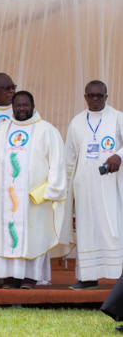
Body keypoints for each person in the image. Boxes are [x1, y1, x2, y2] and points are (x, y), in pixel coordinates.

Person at [0, 91, 71, 289]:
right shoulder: (0, 130)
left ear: (33, 106)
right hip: (6, 197)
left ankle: (30, 278)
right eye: (18, 105)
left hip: (35, 198)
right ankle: (10, 277)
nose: (22, 109)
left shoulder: (47, 130)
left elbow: (57, 164)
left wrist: (51, 191)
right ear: (12, 107)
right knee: (8, 234)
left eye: (25, 105)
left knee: (34, 236)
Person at [65, 80, 123, 290]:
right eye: (91, 95)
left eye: (100, 95)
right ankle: (88, 278)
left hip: (111, 187)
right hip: (85, 187)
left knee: (114, 228)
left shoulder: (117, 118)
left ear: (107, 97)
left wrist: (118, 155)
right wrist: (67, 191)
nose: (96, 99)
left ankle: (119, 280)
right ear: (85, 97)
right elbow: (69, 158)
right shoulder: (77, 122)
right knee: (87, 229)